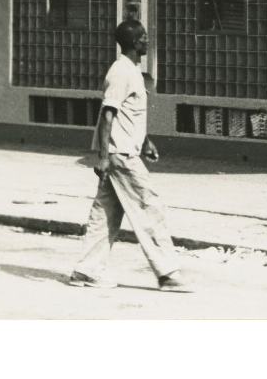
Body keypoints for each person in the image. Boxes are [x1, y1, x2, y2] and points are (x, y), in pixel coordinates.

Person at [69, 21, 192, 293]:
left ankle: (85, 271)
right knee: (149, 207)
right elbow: (107, 114)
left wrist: (145, 141)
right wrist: (103, 156)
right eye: (145, 38)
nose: (148, 42)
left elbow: (129, 114)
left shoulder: (132, 71)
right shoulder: (120, 72)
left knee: (105, 214)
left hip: (123, 150)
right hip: (120, 155)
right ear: (134, 43)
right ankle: (168, 273)